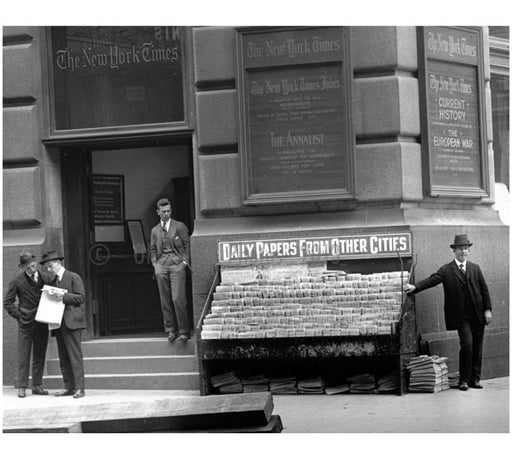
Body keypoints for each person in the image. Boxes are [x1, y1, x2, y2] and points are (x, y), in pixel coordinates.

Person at [404, 234, 492, 391]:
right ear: (454, 251)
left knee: (477, 347)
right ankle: (464, 380)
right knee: (467, 345)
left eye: (466, 249)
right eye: (460, 249)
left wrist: (487, 310)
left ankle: (475, 379)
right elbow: (432, 280)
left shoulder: (475, 268)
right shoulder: (446, 270)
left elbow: (484, 291)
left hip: (478, 315)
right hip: (461, 317)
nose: (463, 252)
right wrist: (415, 287)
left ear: (468, 251)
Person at [3, 252, 53, 398]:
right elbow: (7, 302)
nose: (32, 269)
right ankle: (22, 387)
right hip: (25, 324)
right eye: (28, 267)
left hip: (42, 322)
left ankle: (37, 386)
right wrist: (19, 316)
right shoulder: (16, 281)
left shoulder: (46, 277)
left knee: (39, 355)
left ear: (35, 263)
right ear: (23, 267)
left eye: (33, 265)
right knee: (24, 356)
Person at [40, 251, 86, 398]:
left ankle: (80, 388)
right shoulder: (53, 282)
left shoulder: (73, 277)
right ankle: (68, 387)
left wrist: (64, 296)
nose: (48, 269)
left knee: (75, 356)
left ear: (59, 263)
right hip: (58, 323)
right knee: (64, 357)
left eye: (50, 266)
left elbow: (81, 298)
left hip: (72, 322)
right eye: (47, 267)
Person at [150, 198, 191, 343]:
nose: (166, 214)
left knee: (177, 298)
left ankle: (184, 331)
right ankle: (171, 330)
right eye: (163, 211)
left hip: (177, 264)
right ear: (158, 212)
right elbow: (153, 250)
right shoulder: (155, 230)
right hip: (161, 265)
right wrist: (155, 264)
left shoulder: (179, 226)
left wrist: (184, 263)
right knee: (165, 300)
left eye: (168, 211)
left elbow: (187, 246)